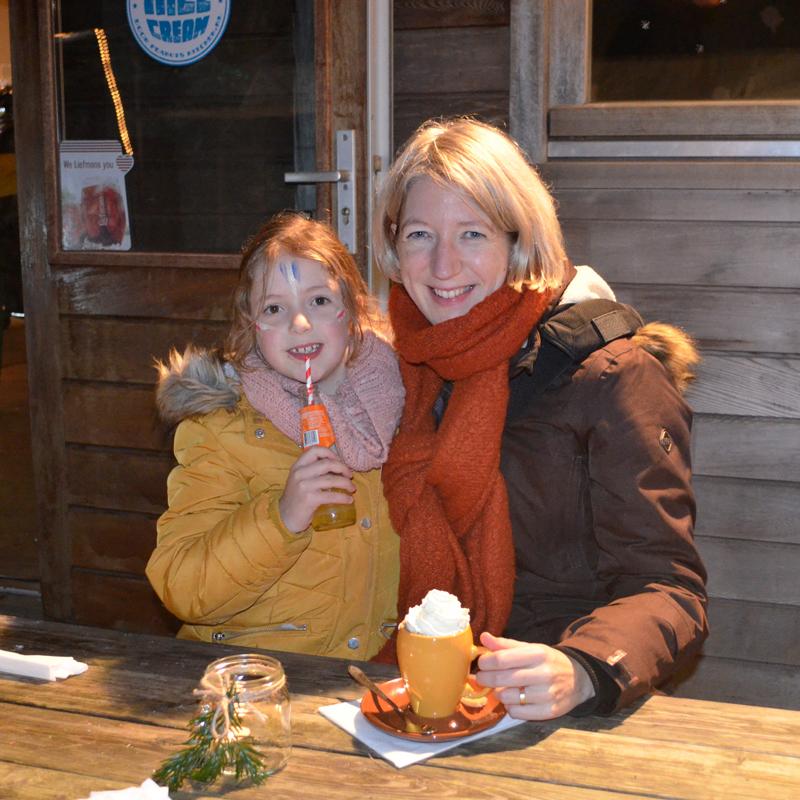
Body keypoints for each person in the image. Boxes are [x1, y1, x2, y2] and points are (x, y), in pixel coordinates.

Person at [372, 118, 708, 719]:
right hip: (420, 689)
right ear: (394, 246)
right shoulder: (396, 371)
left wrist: (582, 667)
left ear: (519, 239)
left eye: (472, 233)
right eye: (420, 234)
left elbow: (669, 587)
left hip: (554, 705)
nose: (443, 264)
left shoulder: (613, 376)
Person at [146, 213, 404, 660]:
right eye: (273, 308)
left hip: (373, 684)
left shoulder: (408, 408)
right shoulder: (221, 430)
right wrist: (282, 518)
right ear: (251, 326)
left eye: (320, 300)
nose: (299, 323)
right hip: (255, 677)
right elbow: (181, 586)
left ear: (355, 309)